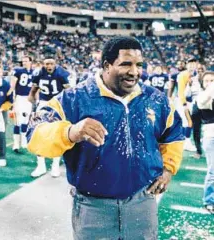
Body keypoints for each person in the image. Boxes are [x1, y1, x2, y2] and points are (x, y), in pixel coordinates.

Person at [26, 36, 184, 239]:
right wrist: (70, 132)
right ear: (106, 66)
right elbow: (34, 133)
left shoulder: (156, 99)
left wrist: (168, 169)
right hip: (93, 208)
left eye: (139, 65)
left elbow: (174, 133)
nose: (134, 72)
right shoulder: (74, 99)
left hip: (142, 201)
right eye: (126, 64)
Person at [27, 53, 71, 178]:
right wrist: (31, 97)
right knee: (38, 132)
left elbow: (69, 91)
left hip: (57, 104)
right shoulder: (38, 73)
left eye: (51, 63)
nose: (49, 66)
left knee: (56, 134)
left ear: (55, 63)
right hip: (43, 103)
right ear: (43, 64)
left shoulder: (61, 74)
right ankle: (41, 166)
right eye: (47, 63)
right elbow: (34, 88)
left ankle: (55, 165)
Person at [196, 71, 214, 214]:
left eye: (212, 80)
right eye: (206, 80)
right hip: (211, 137)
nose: (209, 82)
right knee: (213, 170)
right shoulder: (202, 96)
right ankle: (209, 201)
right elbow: (204, 100)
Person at [10, 56, 34, 152]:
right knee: (17, 121)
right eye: (23, 61)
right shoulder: (18, 70)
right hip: (19, 97)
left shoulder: (34, 72)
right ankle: (16, 144)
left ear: (30, 62)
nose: (24, 63)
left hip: (28, 99)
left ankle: (24, 142)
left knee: (26, 120)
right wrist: (13, 99)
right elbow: (13, 86)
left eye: (26, 61)